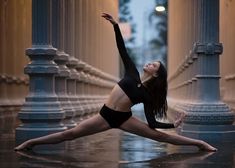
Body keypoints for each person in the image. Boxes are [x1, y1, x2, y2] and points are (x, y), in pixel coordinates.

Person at [14, 13, 217, 152]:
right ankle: (31, 142)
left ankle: (199, 143)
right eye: (151, 62)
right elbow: (122, 49)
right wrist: (116, 26)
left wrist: (174, 124)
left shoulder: (146, 95)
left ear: (156, 74)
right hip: (105, 115)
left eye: (154, 65)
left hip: (124, 119)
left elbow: (152, 124)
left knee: (160, 137)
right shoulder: (131, 72)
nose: (150, 63)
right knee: (71, 134)